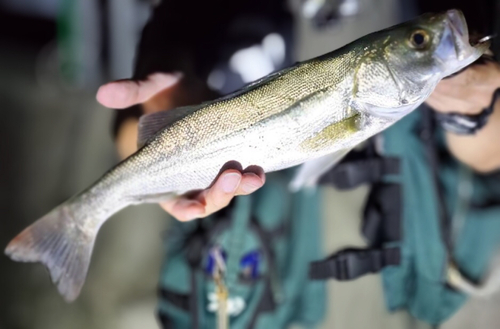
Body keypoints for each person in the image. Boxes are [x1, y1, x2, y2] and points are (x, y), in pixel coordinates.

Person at [96, 0, 500, 327]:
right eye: (418, 40)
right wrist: (159, 104)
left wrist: (473, 109)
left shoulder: (465, 17)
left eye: (418, 41)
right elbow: (135, 122)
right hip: (268, 285)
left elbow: (487, 155)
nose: (438, 36)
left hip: (385, 288)